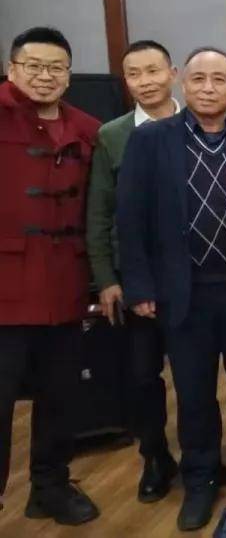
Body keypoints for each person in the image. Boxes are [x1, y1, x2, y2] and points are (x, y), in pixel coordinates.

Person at [118, 47, 226, 531]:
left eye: (219, 80)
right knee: (193, 391)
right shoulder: (151, 141)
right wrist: (139, 286)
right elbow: (130, 218)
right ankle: (201, 476)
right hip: (182, 291)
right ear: (182, 83)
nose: (208, 88)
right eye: (199, 79)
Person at [0, 27, 101, 526]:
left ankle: (50, 487)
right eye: (34, 66)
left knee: (61, 396)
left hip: (65, 285)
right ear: (12, 68)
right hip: (5, 287)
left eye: (56, 67)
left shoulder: (87, 127)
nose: (45, 76)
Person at [85, 39, 181, 504]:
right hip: (138, 278)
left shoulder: (202, 122)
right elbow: (99, 213)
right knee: (143, 376)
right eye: (134, 74)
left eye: (153, 71)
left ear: (173, 73)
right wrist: (107, 278)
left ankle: (202, 455)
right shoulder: (112, 135)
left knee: (197, 375)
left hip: (195, 278)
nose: (145, 82)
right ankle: (155, 456)